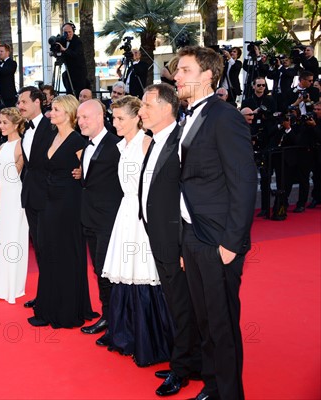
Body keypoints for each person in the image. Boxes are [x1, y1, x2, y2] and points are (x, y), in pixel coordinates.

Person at [174, 45, 257, 400]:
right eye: (177, 71)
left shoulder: (225, 117)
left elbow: (243, 182)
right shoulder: (185, 116)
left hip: (218, 239)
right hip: (192, 236)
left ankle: (228, 393)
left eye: (185, 70)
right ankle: (211, 384)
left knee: (221, 323)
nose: (176, 76)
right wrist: (182, 241)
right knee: (204, 319)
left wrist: (231, 243)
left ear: (208, 75)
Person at [99, 94, 174, 368]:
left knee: (143, 273)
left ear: (136, 118)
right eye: (113, 117)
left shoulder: (145, 144)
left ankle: (151, 343)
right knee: (125, 275)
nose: (114, 122)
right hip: (126, 214)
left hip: (142, 217)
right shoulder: (123, 145)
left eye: (120, 118)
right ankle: (126, 335)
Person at [139, 84, 202, 395]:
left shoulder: (180, 142)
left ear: (166, 108)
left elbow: (186, 198)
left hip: (175, 242)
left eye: (146, 106)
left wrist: (181, 245)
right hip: (159, 238)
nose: (140, 112)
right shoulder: (156, 141)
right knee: (179, 305)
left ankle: (182, 369)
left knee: (183, 306)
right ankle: (188, 360)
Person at [28, 94, 97, 328]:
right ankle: (48, 307)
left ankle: (67, 311)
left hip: (68, 204)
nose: (51, 113)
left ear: (68, 114)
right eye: (51, 109)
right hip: (48, 202)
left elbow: (90, 173)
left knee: (66, 255)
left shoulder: (78, 141)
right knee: (47, 254)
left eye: (56, 110)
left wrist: (81, 173)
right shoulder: (52, 135)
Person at [74, 99, 122, 341]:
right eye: (79, 118)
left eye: (85, 118)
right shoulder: (87, 145)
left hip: (110, 220)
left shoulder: (117, 145)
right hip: (90, 218)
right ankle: (108, 316)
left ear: (100, 117)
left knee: (108, 272)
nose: (80, 122)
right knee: (99, 270)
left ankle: (116, 322)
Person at [17, 86, 54, 309]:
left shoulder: (50, 127)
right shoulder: (26, 130)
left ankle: (51, 296)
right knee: (39, 249)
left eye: (23, 102)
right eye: (19, 102)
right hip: (31, 196)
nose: (19, 106)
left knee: (49, 248)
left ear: (37, 102)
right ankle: (44, 295)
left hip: (48, 197)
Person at [0, 107, 28, 303]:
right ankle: (1, 283)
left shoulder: (21, 145)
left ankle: (13, 286)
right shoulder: (3, 147)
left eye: (4, 122)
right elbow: (0, 179)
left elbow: (16, 176)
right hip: (5, 199)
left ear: (16, 124)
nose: (0, 126)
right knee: (3, 242)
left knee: (14, 242)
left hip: (17, 199)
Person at [56, 22, 89, 98]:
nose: (68, 34)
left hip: (79, 73)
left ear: (73, 31)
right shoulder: (63, 40)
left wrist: (64, 49)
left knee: (78, 94)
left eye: (69, 32)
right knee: (69, 92)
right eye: (65, 32)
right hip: (69, 72)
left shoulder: (77, 41)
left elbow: (75, 54)